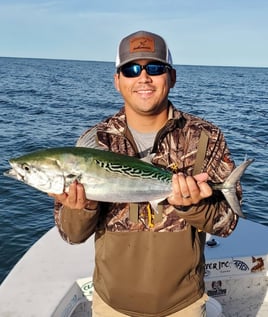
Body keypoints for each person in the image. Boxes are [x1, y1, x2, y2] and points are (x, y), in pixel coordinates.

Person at [52, 30, 241, 317]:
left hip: (184, 305)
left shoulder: (205, 138)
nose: (143, 77)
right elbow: (71, 235)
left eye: (154, 68)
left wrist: (195, 207)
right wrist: (82, 208)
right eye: (130, 69)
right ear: (117, 81)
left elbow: (227, 225)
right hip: (111, 306)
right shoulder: (95, 142)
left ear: (172, 77)